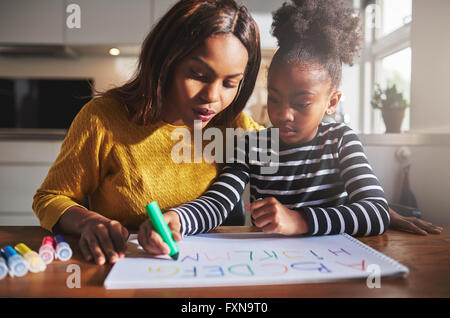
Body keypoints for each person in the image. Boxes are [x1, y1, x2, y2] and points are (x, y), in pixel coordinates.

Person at [138, 0, 411, 255]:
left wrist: (299, 221)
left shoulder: (341, 141)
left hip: (332, 263)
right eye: (275, 98)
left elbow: (376, 212)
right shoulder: (252, 145)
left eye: (302, 103)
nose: (283, 114)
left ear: (332, 102)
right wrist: (177, 218)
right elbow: (218, 203)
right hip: (271, 262)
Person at [32, 0, 262, 265]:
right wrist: (88, 221)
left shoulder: (234, 124)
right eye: (198, 75)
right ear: (166, 61)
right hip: (129, 267)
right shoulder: (103, 119)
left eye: (230, 83)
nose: (212, 97)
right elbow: (50, 198)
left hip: (217, 271)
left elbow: (292, 154)